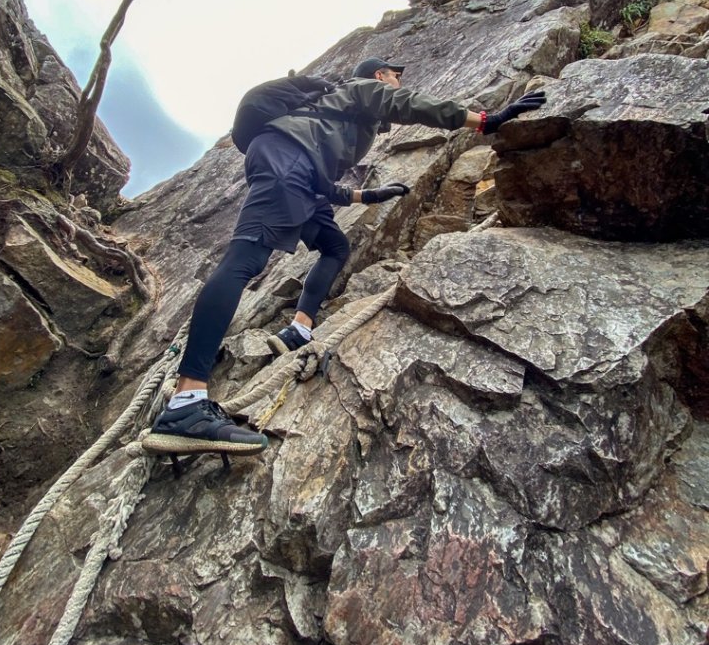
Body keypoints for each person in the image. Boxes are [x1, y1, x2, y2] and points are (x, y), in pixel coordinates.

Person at [151, 58, 545, 449]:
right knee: (245, 260)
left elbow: (321, 181)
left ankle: (300, 327)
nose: (397, 80)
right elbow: (407, 104)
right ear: (379, 76)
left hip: (299, 172)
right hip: (286, 162)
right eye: (394, 74)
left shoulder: (337, 120)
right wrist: (485, 121)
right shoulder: (359, 92)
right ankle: (187, 400)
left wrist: (366, 195)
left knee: (335, 246)